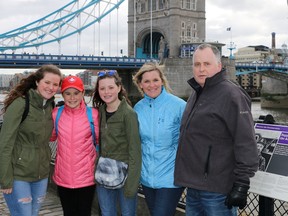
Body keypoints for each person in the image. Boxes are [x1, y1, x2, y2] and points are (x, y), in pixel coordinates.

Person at [174, 43, 259, 216]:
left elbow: (245, 141)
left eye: (207, 64)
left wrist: (242, 183)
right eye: (197, 64)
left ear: (219, 66)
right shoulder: (197, 93)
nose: (201, 69)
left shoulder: (231, 94)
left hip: (217, 189)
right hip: (194, 186)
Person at [0, 64, 62, 216]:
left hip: (41, 174)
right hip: (18, 174)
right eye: (47, 82)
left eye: (55, 84)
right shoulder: (20, 104)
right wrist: (5, 178)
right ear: (37, 82)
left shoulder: (50, 106)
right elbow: (5, 143)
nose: (51, 87)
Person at [133, 62, 186, 216]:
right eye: (147, 81)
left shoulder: (179, 106)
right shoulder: (138, 109)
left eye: (155, 80)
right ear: (140, 84)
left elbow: (192, 140)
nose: (152, 85)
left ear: (162, 80)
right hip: (147, 178)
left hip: (171, 177)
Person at [92, 70, 141, 216]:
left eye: (111, 87)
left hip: (125, 175)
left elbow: (135, 150)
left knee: (127, 213)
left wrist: (132, 185)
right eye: (102, 88)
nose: (106, 92)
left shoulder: (129, 114)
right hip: (103, 173)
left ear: (119, 87)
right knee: (107, 213)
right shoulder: (99, 111)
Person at [50, 75, 99, 216]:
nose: (72, 98)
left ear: (83, 93)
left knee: (84, 213)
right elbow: (51, 137)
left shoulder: (93, 115)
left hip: (87, 179)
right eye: (68, 93)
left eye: (76, 93)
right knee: (68, 213)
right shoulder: (56, 114)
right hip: (63, 177)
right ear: (62, 95)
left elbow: (101, 140)